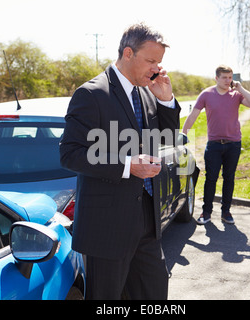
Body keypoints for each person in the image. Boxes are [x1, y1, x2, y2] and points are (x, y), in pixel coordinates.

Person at [59, 23, 180, 300]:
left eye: (159, 63)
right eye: (151, 61)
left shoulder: (148, 92)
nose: (156, 69)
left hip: (148, 223)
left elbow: (167, 139)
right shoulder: (91, 94)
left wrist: (166, 101)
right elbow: (70, 153)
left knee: (155, 294)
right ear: (128, 53)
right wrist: (127, 164)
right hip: (107, 229)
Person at [182, 65, 250, 225]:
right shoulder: (206, 94)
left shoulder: (236, 94)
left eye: (230, 77)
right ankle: (206, 212)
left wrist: (241, 88)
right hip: (214, 145)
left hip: (233, 144)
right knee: (210, 179)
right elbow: (192, 116)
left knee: (229, 178)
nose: (228, 81)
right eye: (224, 77)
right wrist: (183, 135)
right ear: (216, 78)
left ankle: (226, 212)